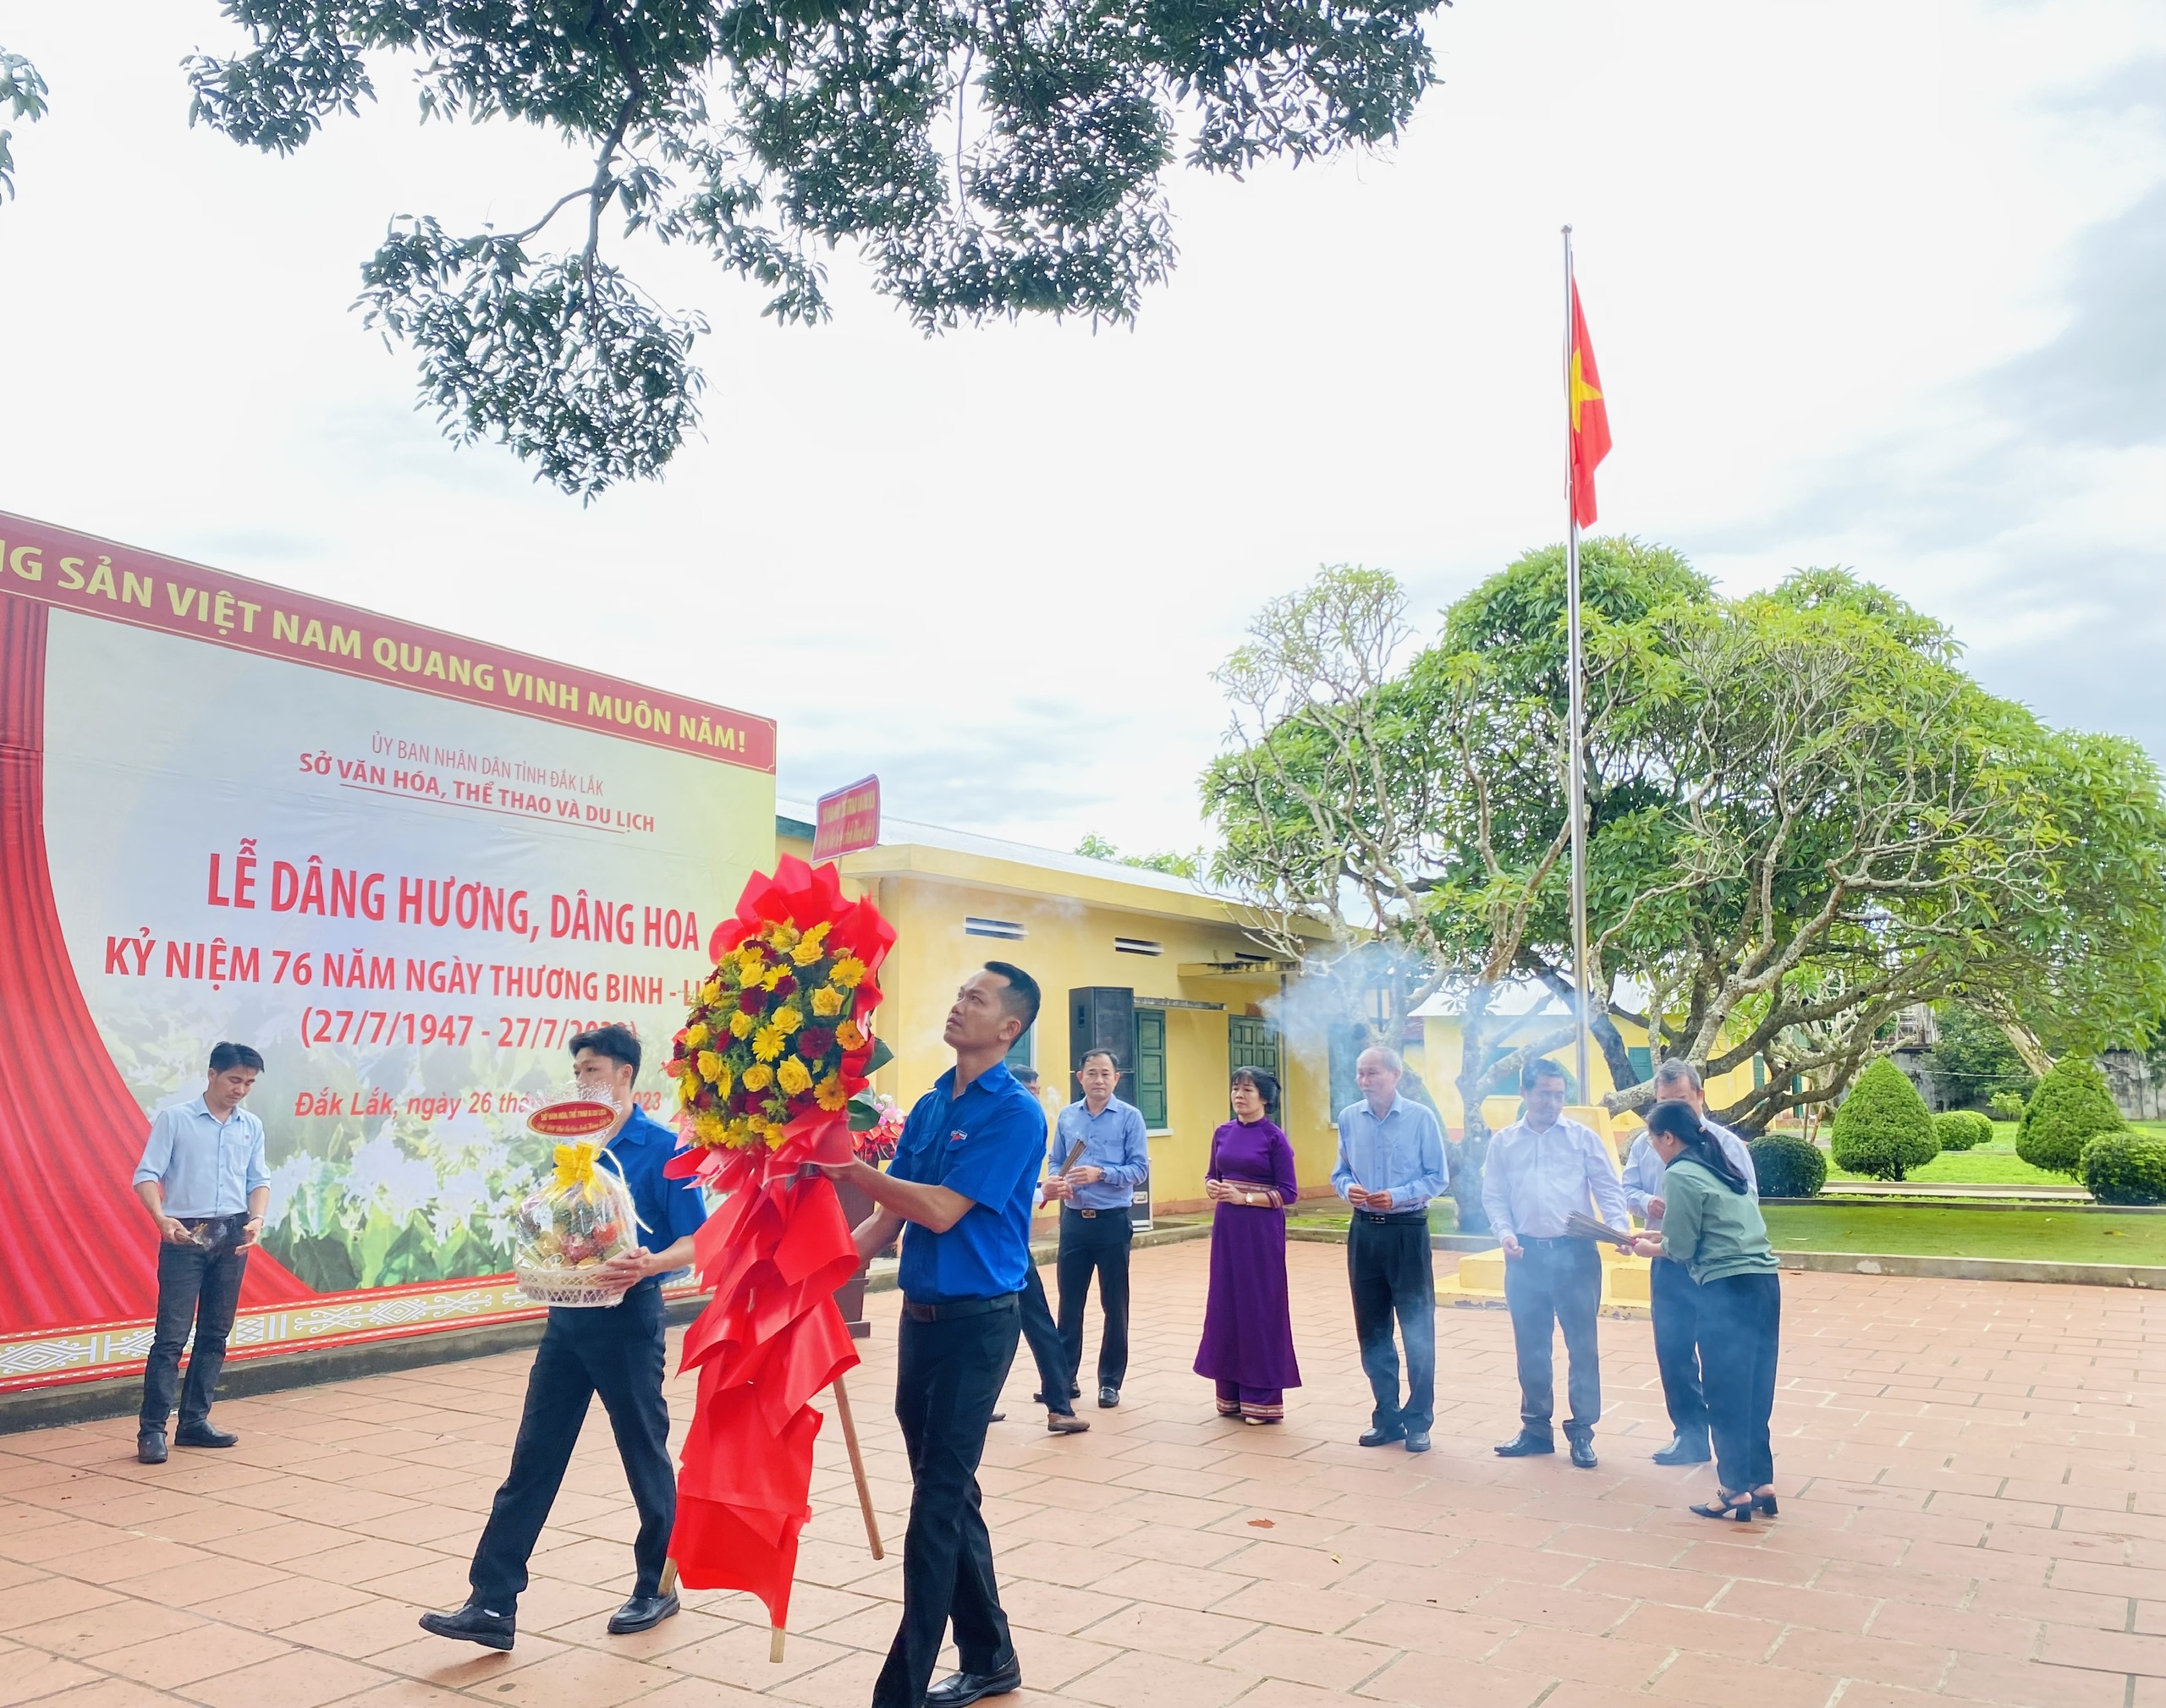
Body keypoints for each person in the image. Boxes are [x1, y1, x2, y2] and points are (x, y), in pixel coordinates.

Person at [421, 1024, 710, 1651]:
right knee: (533, 1457)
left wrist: (650, 1263)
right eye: (579, 1070)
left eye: (595, 1069)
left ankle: (656, 1583)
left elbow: (700, 1240)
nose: (584, 1081)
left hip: (629, 1322)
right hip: (567, 1319)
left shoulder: (663, 1148)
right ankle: (492, 1601)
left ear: (628, 1074)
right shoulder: (568, 1146)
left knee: (643, 1452)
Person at [822, 963, 1046, 1708]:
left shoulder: (1016, 1114)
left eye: (975, 999)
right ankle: (991, 1656)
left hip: (980, 1325)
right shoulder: (925, 1106)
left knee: (936, 1504)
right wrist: (815, 1273)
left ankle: (901, 1690)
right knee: (948, 1494)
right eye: (958, 993)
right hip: (920, 1323)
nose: (958, 1006)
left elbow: (943, 1208)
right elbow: (886, 1220)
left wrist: (852, 1165)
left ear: (1008, 1028)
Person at [1626, 1100, 1782, 1521]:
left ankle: (1734, 1489)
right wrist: (1653, 1238)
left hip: (1726, 1289)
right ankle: (1760, 1480)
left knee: (1724, 1390)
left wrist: (1646, 1249)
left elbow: (1680, 1248)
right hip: (1765, 1284)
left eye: (1652, 1138)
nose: (1652, 1146)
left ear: (1668, 1137)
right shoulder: (1721, 1166)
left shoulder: (1678, 1173)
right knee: (1754, 1386)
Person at [1482, 1057, 1630, 1469]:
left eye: (1559, 1095)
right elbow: (1493, 1195)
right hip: (1525, 1255)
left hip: (1576, 1255)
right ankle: (1535, 1429)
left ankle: (1582, 1432)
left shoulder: (1581, 1138)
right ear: (1524, 1093)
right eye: (1544, 1093)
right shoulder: (1504, 1143)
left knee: (1582, 1347)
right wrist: (1505, 1234)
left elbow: (1607, 1187)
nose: (1552, 1102)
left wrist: (1618, 1230)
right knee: (1531, 1347)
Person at [132, 1041, 271, 1466]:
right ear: (211, 1075)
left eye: (248, 1082)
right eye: (234, 1080)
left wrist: (257, 1219)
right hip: (185, 1234)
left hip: (232, 1233)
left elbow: (258, 1179)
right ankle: (152, 1430)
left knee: (215, 1334)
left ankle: (194, 1422)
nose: (240, 1089)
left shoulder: (251, 1126)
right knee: (171, 1338)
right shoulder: (176, 1119)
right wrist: (161, 1219)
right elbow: (146, 1175)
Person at [1622, 1059, 1759, 1466]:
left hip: (1713, 1266)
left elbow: (1746, 1200)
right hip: (1666, 1258)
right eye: (1665, 1103)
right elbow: (1627, 1189)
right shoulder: (1648, 1144)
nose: (1674, 1112)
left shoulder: (1726, 1144)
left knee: (1719, 1351)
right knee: (1674, 1348)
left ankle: (1731, 1443)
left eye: (1682, 1101)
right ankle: (1690, 1434)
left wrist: (1692, 1214)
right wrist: (1650, 1203)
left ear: (1700, 1096)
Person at [1330, 1046, 1448, 1453]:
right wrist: (1349, 1189)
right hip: (1364, 1232)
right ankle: (1387, 1415)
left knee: (1417, 1328)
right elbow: (1340, 1171)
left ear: (1396, 1075)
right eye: (1360, 1074)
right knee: (1372, 1328)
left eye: (1373, 1073)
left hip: (1407, 1231)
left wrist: (1396, 1196)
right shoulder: (1348, 1118)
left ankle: (1419, 1419)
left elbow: (1438, 1177)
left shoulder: (1420, 1118)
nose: (1365, 1081)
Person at [1193, 1067, 1301, 1424]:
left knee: (1259, 1307)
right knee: (1227, 1303)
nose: (1239, 1096)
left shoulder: (1275, 1138)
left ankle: (1262, 1397)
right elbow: (1214, 1173)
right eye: (1236, 1089)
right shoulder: (1222, 1132)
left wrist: (1245, 1198)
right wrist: (1213, 1187)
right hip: (1227, 1229)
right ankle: (1231, 1395)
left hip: (1260, 1232)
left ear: (1265, 1098)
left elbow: (1289, 1193)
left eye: (1248, 1090)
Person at [1043, 1047, 1150, 1408]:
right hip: (1074, 1221)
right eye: (1092, 1073)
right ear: (1080, 1077)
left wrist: (1101, 1173)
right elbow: (1055, 1159)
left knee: (1114, 1303)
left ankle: (1110, 1381)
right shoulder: (1068, 1117)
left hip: (1112, 1223)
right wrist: (1057, 1181)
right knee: (1069, 1304)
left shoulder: (1130, 1118)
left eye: (1106, 1073)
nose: (1099, 1080)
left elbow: (1139, 1169)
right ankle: (1064, 1379)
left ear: (1116, 1079)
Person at [1009, 1066, 1086, 1435]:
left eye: (1038, 1091)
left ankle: (1058, 1403)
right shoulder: (1010, 1122)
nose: (1036, 1098)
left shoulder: (1021, 1122)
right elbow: (995, 1188)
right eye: (1030, 1090)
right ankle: (1059, 1405)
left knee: (1015, 1326)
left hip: (1006, 1245)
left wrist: (1042, 1188)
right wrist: (1042, 1192)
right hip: (1003, 1248)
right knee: (1034, 1325)